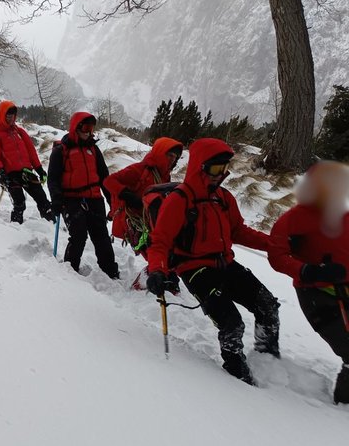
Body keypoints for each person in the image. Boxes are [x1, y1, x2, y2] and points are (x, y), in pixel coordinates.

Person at [146, 138, 280, 385]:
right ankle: (237, 376)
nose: (222, 175)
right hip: (196, 270)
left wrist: (275, 244)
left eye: (225, 169)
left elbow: (239, 231)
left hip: (226, 264)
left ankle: (268, 359)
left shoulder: (223, 198)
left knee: (267, 305)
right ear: (201, 166)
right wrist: (156, 270)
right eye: (217, 169)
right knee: (232, 324)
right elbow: (160, 242)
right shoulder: (179, 200)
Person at [268, 160, 349, 404]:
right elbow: (277, 256)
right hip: (317, 295)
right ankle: (343, 406)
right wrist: (310, 271)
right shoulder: (295, 219)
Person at [105, 137, 183, 287]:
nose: (172, 161)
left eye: (175, 158)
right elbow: (109, 181)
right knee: (155, 254)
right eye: (169, 156)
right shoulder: (140, 170)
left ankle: (161, 281)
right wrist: (128, 195)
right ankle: (145, 284)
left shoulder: (164, 175)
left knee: (162, 254)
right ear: (160, 154)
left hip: (152, 221)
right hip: (136, 222)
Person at [47, 112, 118, 278]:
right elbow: (53, 179)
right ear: (76, 127)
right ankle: (70, 272)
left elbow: (104, 177)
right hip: (70, 200)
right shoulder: (60, 150)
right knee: (78, 235)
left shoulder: (93, 149)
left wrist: (111, 200)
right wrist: (56, 200)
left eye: (91, 128)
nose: (89, 132)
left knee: (101, 236)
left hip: (94, 198)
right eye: (86, 127)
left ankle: (110, 271)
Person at [0, 101, 53, 224]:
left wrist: (39, 169)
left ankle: (51, 223)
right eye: (8, 115)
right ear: (2, 116)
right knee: (19, 202)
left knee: (42, 198)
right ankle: (16, 230)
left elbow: (31, 152)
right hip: (10, 175)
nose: (11, 118)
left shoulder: (20, 132)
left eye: (13, 115)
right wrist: (0, 172)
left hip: (26, 172)